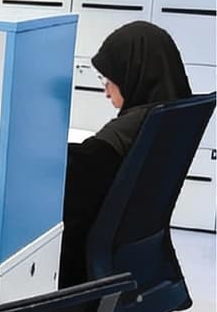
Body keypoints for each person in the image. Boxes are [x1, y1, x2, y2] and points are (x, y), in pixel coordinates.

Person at [59, 21, 191, 288]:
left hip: (81, 274)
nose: (105, 88)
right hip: (133, 263)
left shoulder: (124, 135)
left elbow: (78, 181)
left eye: (110, 78)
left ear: (133, 74)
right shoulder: (172, 118)